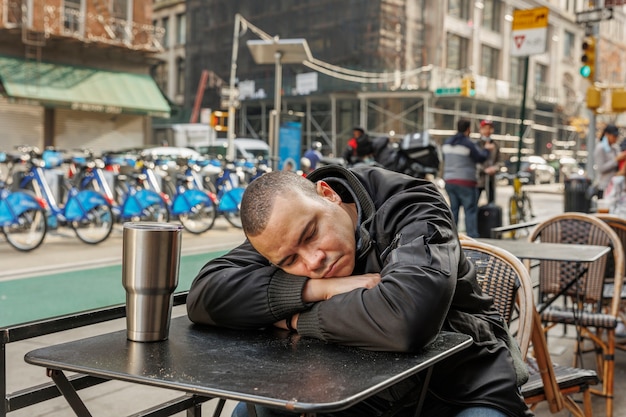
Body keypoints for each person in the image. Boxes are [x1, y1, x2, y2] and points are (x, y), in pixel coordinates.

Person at [187, 165, 531, 417]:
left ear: (328, 194)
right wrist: (317, 290)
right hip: (357, 394)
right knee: (252, 411)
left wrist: (294, 321)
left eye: (311, 234)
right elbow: (204, 295)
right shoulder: (282, 230)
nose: (314, 259)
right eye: (290, 259)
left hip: (462, 389)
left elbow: (404, 320)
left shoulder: (410, 203)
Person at [442, 119, 493, 238]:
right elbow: (480, 158)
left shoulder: (447, 143)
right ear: (468, 129)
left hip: (449, 181)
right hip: (466, 183)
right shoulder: (468, 144)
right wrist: (487, 149)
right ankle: (472, 239)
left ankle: (451, 238)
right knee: (470, 211)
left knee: (453, 210)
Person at [593, 124, 626, 199]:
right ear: (607, 134)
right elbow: (601, 168)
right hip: (604, 186)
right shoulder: (600, 148)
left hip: (616, 186)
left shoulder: (615, 148)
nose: (615, 139)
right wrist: (616, 160)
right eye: (614, 136)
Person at [476, 119, 501, 204]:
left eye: (489, 128)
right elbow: (474, 161)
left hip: (491, 179)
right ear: (481, 129)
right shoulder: (476, 144)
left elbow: (499, 161)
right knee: (474, 204)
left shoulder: (496, 145)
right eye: (485, 128)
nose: (487, 131)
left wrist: (494, 168)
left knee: (491, 203)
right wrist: (484, 170)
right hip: (478, 180)